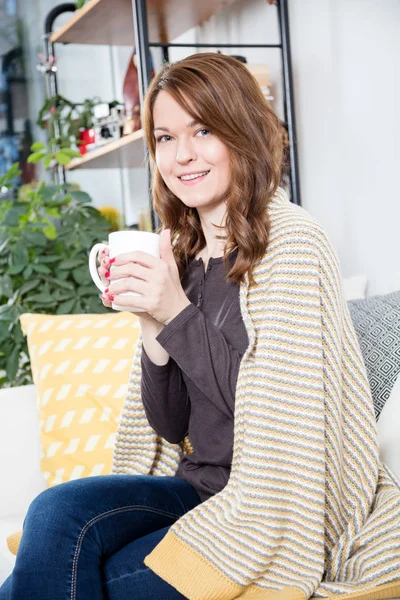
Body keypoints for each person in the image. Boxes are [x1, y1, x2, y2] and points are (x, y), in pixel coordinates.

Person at [1, 52, 400, 600]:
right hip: (197, 489)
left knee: (65, 581)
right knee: (56, 510)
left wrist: (175, 316)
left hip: (271, 504)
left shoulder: (293, 244)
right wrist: (151, 327)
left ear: (240, 131)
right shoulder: (182, 255)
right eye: (164, 137)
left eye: (203, 130)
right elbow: (168, 427)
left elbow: (276, 413)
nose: (181, 155)